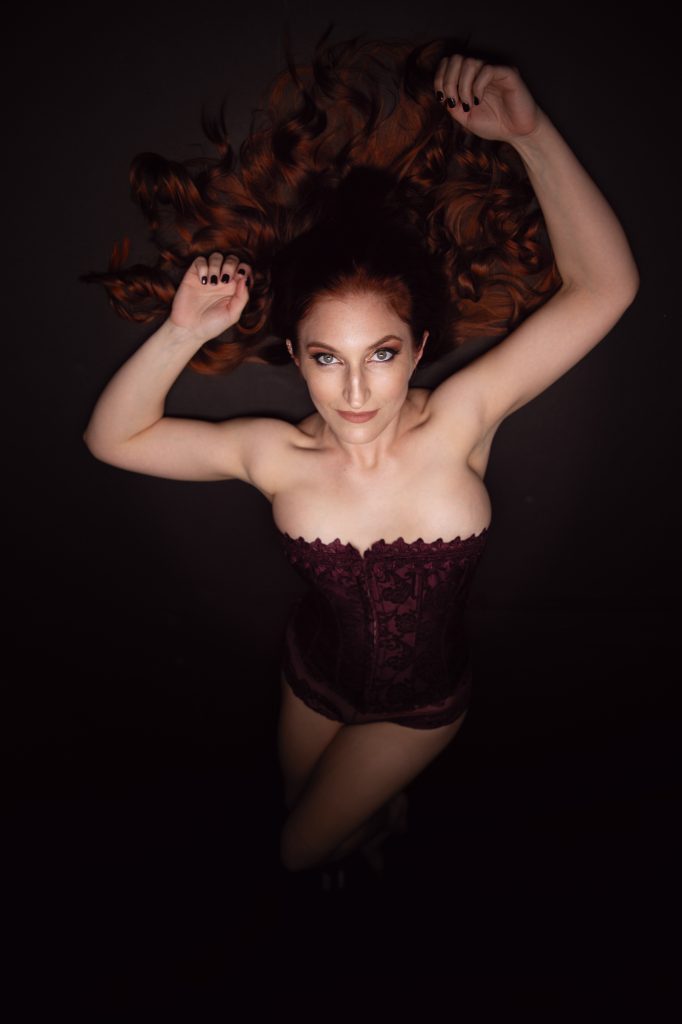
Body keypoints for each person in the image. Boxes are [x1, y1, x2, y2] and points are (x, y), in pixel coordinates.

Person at [81, 34, 639, 885]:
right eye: (326, 357)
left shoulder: (461, 421)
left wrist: (529, 135)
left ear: (417, 350)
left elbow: (606, 289)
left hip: (422, 707)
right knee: (324, 828)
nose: (353, 390)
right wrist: (184, 334)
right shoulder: (273, 453)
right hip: (309, 681)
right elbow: (112, 440)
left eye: (379, 354)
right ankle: (377, 825)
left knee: (298, 851)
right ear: (297, 357)